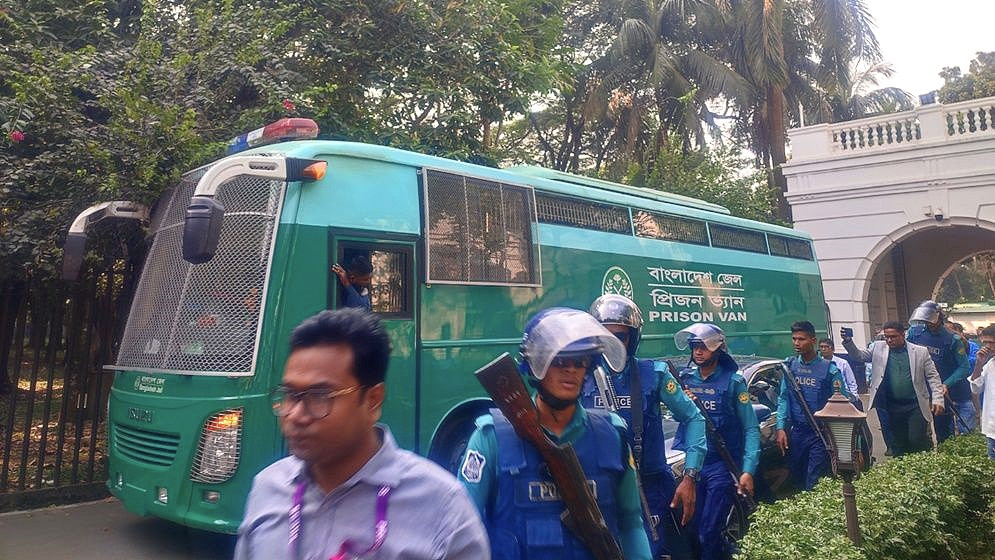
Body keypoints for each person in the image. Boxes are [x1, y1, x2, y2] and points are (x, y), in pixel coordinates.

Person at [235, 309, 488, 559]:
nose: (296, 415)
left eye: (320, 396)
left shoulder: (443, 508)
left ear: (373, 401)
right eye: (291, 395)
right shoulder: (267, 489)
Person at [459, 307, 652, 559]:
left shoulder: (612, 436)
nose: (571, 369)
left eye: (580, 361)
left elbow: (631, 523)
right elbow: (462, 527)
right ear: (535, 365)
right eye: (559, 360)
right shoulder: (490, 438)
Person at [581, 294, 706, 559]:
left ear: (633, 339)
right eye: (605, 337)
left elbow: (694, 417)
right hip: (596, 489)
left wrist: (690, 476)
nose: (613, 345)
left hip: (649, 488)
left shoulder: (655, 374)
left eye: (621, 337)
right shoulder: (579, 376)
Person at [673, 323, 760, 560]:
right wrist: (684, 404)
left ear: (718, 349)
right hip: (692, 466)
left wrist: (748, 470)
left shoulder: (734, 382)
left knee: (708, 532)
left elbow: (751, 428)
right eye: (694, 347)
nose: (698, 352)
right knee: (690, 530)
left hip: (721, 466)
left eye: (703, 347)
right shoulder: (686, 380)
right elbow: (676, 418)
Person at [842, 321, 945, 457]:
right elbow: (859, 356)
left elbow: (933, 376)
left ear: (903, 335)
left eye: (893, 336)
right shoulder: (878, 348)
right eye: (886, 336)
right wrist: (848, 341)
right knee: (898, 442)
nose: (889, 340)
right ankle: (902, 471)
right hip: (892, 405)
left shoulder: (920, 352)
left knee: (916, 439)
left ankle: (923, 463)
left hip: (915, 404)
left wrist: (938, 398)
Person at [775, 321, 850, 491]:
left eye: (801, 339)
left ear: (813, 340)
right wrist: (780, 428)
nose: (796, 343)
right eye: (794, 339)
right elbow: (783, 398)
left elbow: (842, 405)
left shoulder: (829, 370)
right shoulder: (790, 367)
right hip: (797, 433)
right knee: (797, 478)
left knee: (813, 480)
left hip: (820, 433)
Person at [906, 301, 971, 440]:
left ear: (940, 317)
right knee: (931, 433)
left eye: (931, 319)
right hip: (927, 392)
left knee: (955, 433)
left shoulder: (953, 339)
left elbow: (964, 367)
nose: (929, 323)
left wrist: (946, 384)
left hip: (951, 391)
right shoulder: (914, 334)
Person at [968, 325, 995, 460]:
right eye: (985, 343)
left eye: (991, 342)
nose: (988, 346)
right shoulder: (990, 364)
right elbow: (976, 389)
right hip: (992, 429)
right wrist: (979, 363)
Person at [818, 338, 860, 405]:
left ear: (833, 349)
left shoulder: (843, 363)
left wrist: (854, 397)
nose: (823, 349)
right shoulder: (818, 364)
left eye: (826, 347)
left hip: (844, 395)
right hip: (826, 397)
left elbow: (851, 381)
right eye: (821, 347)